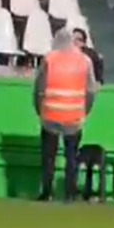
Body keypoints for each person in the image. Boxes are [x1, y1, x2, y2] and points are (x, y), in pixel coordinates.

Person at [35, 30, 98, 202]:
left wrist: (40, 110)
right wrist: (84, 110)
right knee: (71, 156)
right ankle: (70, 193)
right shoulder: (85, 61)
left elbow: (39, 88)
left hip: (50, 114)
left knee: (49, 157)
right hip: (74, 116)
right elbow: (91, 90)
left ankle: (47, 192)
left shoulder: (49, 58)